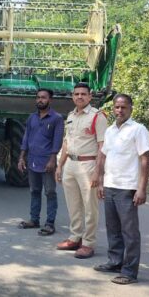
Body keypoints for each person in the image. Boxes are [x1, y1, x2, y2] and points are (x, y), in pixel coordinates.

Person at [94, 94, 149, 285]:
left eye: (123, 107)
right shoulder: (110, 131)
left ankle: (129, 272)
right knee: (113, 228)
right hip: (110, 185)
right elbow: (103, 156)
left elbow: (145, 159)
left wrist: (141, 189)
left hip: (127, 188)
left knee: (130, 232)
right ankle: (115, 262)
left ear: (131, 108)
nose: (119, 110)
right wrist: (101, 182)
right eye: (117, 107)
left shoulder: (138, 130)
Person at [55, 82, 107, 258]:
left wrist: (98, 172)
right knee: (73, 205)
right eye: (76, 94)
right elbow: (66, 142)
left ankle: (88, 243)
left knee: (90, 206)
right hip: (70, 163)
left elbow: (102, 146)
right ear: (72, 96)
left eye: (83, 94)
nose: (79, 97)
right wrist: (60, 165)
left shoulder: (97, 116)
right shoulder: (71, 116)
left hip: (88, 165)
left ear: (90, 96)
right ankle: (75, 237)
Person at [17, 88, 64, 236]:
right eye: (38, 97)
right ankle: (34, 220)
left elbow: (57, 141)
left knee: (50, 192)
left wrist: (52, 159)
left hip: (47, 162)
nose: (40, 100)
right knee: (34, 191)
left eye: (43, 98)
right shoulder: (32, 118)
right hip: (32, 160)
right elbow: (26, 138)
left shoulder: (56, 118)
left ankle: (50, 223)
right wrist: (21, 157)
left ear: (50, 100)